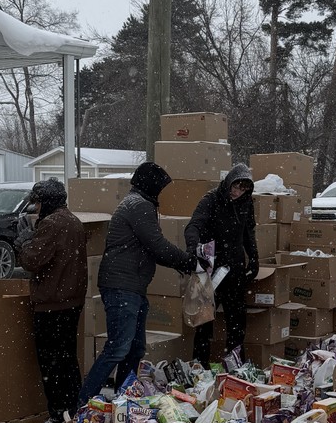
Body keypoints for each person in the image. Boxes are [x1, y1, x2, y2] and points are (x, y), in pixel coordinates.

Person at [76, 162, 198, 406]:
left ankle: (123, 399)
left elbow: (152, 248)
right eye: (160, 187)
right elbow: (157, 245)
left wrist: (183, 264)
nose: (161, 193)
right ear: (150, 185)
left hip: (131, 287)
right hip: (122, 287)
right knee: (118, 348)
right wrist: (188, 262)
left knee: (135, 348)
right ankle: (83, 403)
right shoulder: (139, 206)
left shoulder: (138, 203)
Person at [15, 180, 87, 423]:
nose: (35, 208)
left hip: (52, 304)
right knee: (67, 360)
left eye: (37, 202)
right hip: (71, 301)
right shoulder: (73, 221)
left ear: (46, 202)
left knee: (52, 365)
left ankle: (57, 417)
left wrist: (25, 242)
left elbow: (32, 260)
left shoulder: (52, 224)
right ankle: (73, 413)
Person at [184, 163, 259, 365]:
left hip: (234, 269)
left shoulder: (245, 203)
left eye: (243, 190)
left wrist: (254, 257)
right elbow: (193, 226)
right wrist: (193, 249)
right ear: (228, 183)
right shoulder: (211, 200)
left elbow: (248, 232)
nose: (237, 192)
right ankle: (200, 366)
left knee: (237, 322)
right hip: (210, 269)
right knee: (204, 322)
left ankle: (235, 364)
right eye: (235, 187)